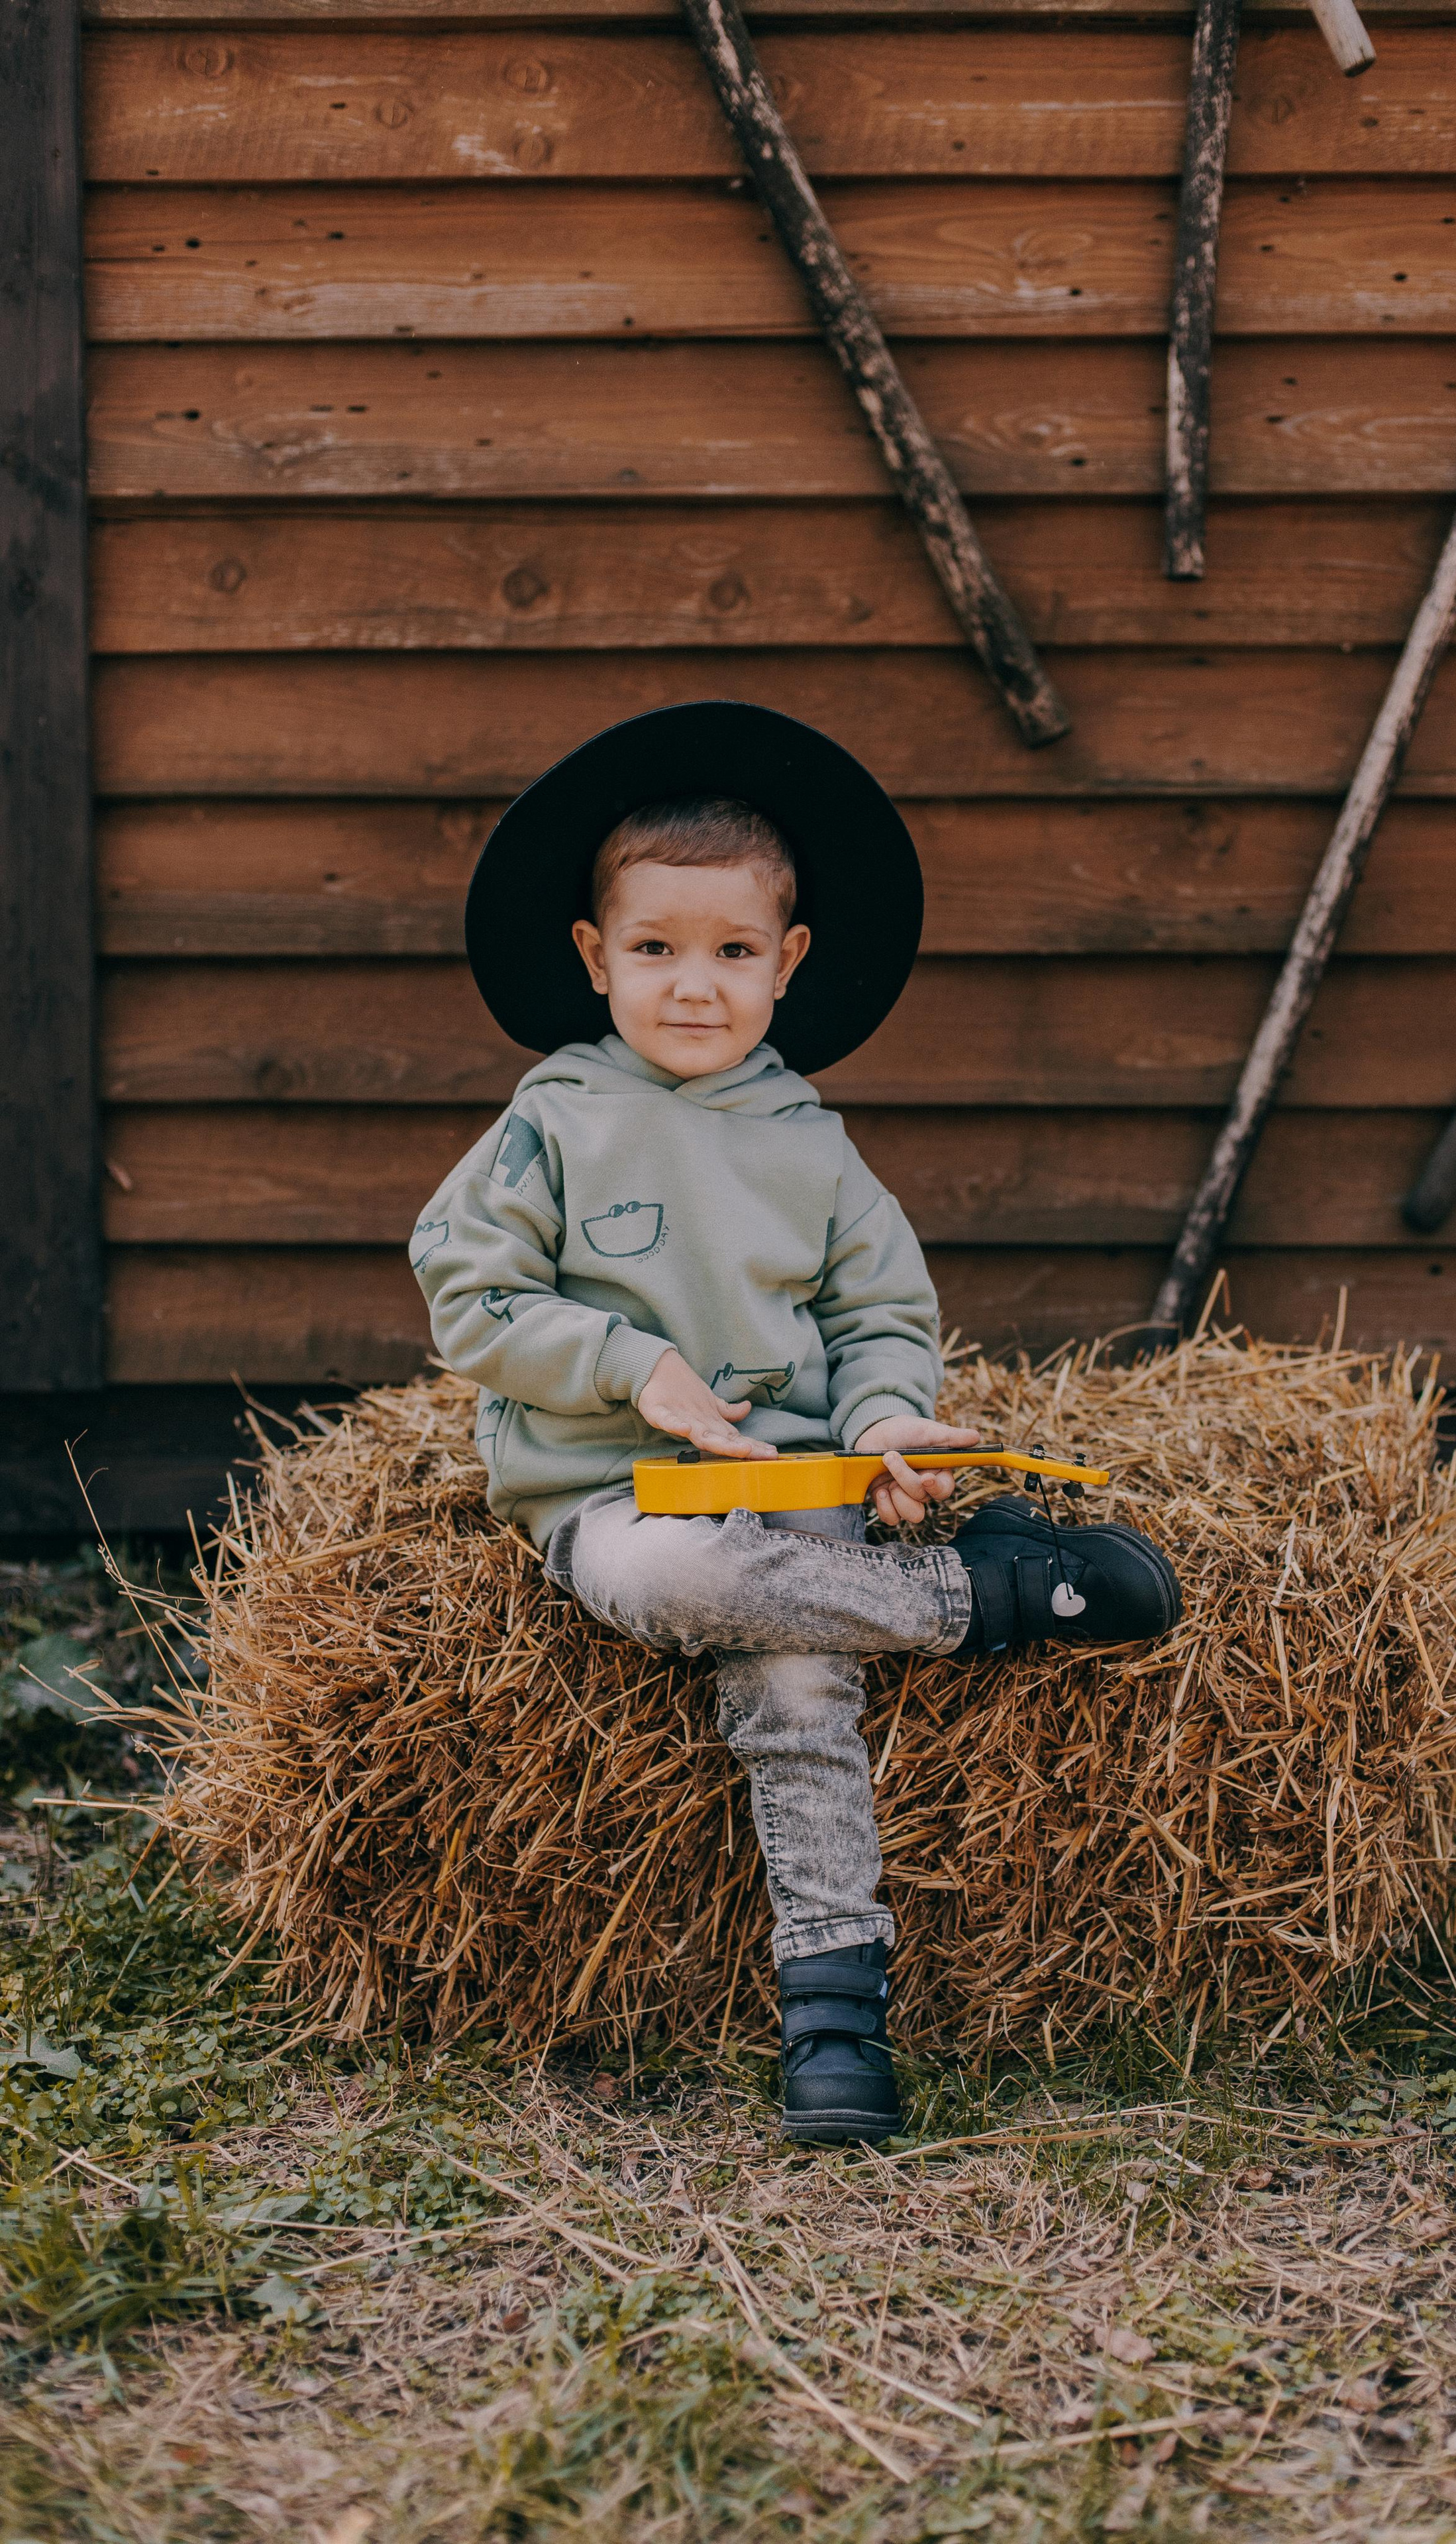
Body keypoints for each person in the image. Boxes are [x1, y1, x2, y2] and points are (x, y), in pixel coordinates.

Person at [412, 702, 1180, 2145]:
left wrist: (887, 1420)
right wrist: (633, 1368)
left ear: (787, 963)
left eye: (730, 953)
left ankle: (832, 2021)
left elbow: (879, 1314)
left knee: (797, 1692)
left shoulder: (810, 1143)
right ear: (594, 956)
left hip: (800, 1488)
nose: (690, 986)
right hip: (616, 1497)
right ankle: (1001, 1591)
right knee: (681, 1585)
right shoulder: (554, 1119)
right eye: (652, 950)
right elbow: (470, 1294)